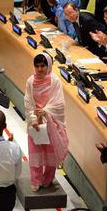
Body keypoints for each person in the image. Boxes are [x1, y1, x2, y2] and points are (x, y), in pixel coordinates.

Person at [24, 53, 69, 192]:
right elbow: (28, 102)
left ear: (48, 65)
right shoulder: (31, 81)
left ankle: (48, 179)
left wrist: (46, 111)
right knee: (35, 153)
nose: (40, 69)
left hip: (51, 122)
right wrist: (33, 118)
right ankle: (36, 180)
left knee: (51, 154)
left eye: (43, 66)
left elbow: (59, 103)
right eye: (37, 66)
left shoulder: (55, 81)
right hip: (36, 122)